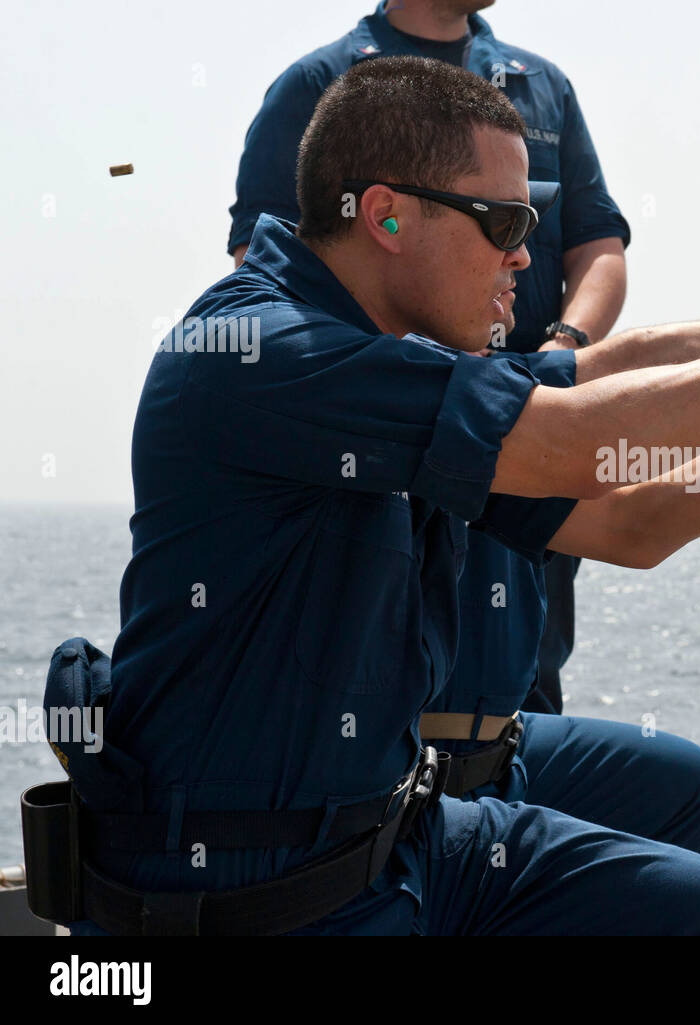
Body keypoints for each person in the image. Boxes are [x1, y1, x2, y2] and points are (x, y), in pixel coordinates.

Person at [64, 57, 700, 936]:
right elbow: (580, 443)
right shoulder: (272, 351)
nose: (526, 255)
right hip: (271, 892)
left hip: (389, 841)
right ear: (384, 217)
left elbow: (629, 506)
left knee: (694, 901)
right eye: (501, 221)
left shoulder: (394, 353)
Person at [228, 1, 627, 716]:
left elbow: (599, 248)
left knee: (519, 698)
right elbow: (268, 271)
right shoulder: (318, 84)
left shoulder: (544, 88)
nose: (518, 248)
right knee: (382, 690)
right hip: (390, 456)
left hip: (524, 435)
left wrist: (561, 351)